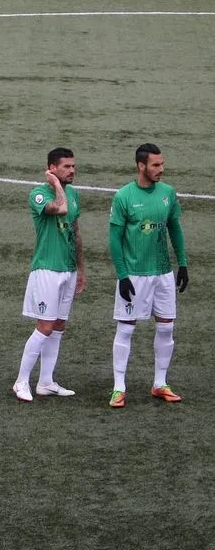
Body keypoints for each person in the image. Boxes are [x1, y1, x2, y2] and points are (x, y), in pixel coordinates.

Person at [107, 143, 188, 408]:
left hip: (163, 273)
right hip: (135, 275)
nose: (161, 169)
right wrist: (122, 275)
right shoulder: (124, 196)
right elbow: (114, 240)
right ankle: (119, 388)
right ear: (141, 165)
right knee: (126, 328)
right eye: (155, 165)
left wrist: (183, 264)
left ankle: (160, 383)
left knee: (166, 326)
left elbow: (175, 229)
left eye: (162, 164)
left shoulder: (168, 193)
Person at [12, 148, 86, 401]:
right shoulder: (38, 195)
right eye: (66, 167)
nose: (72, 170)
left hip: (68, 270)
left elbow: (75, 232)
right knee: (44, 326)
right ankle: (21, 382)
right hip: (46, 270)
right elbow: (61, 209)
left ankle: (46, 382)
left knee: (58, 326)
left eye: (73, 166)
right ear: (52, 168)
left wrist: (82, 270)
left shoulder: (74, 193)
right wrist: (55, 183)